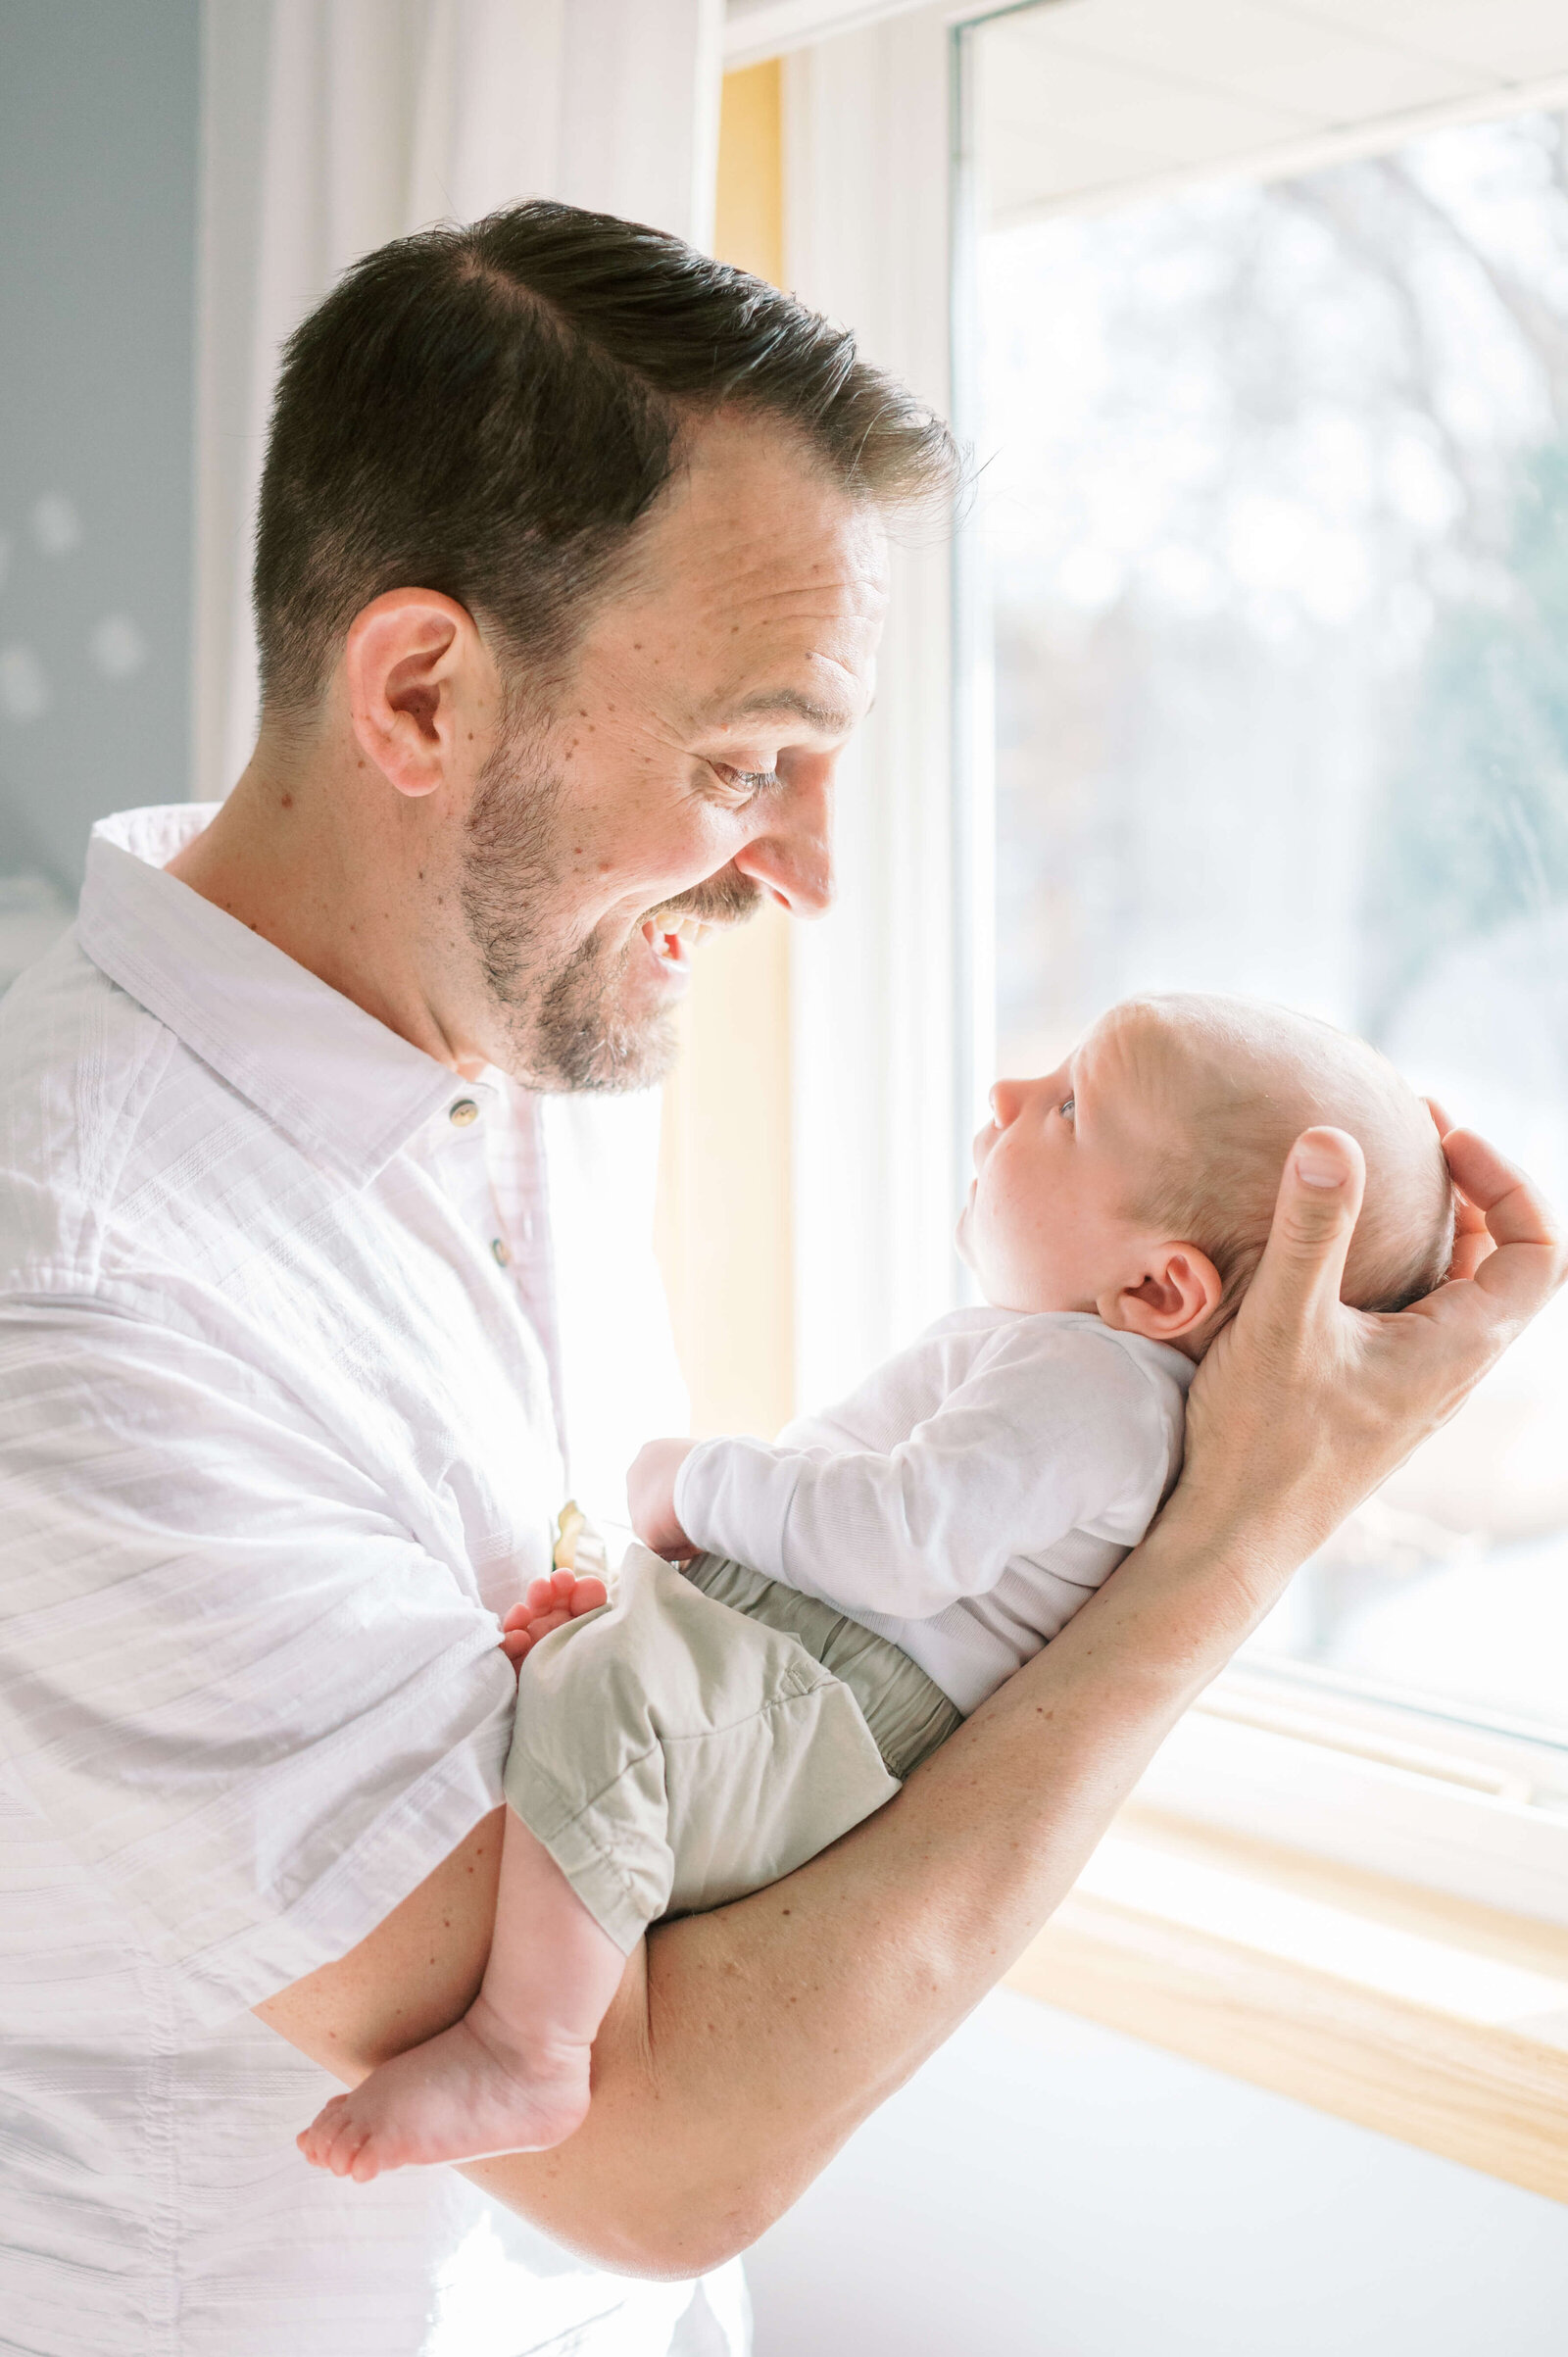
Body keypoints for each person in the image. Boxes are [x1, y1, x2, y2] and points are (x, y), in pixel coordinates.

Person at [0, 203, 1559, 2357]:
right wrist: (1231, 1537)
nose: (809, 872)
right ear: (422, 691)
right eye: (742, 764)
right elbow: (642, 2147)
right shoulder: (78, 1306)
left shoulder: (501, 1044)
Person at [296, 992, 1457, 2180]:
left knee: (616, 1723)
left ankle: (529, 2044)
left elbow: (896, 1542)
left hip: (836, 1691)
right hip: (810, 1668)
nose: (1006, 1099)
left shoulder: (1096, 1387)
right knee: (593, 1691)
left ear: (1160, 1292)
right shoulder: (1074, 1369)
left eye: (1066, 1106)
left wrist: (692, 1487)